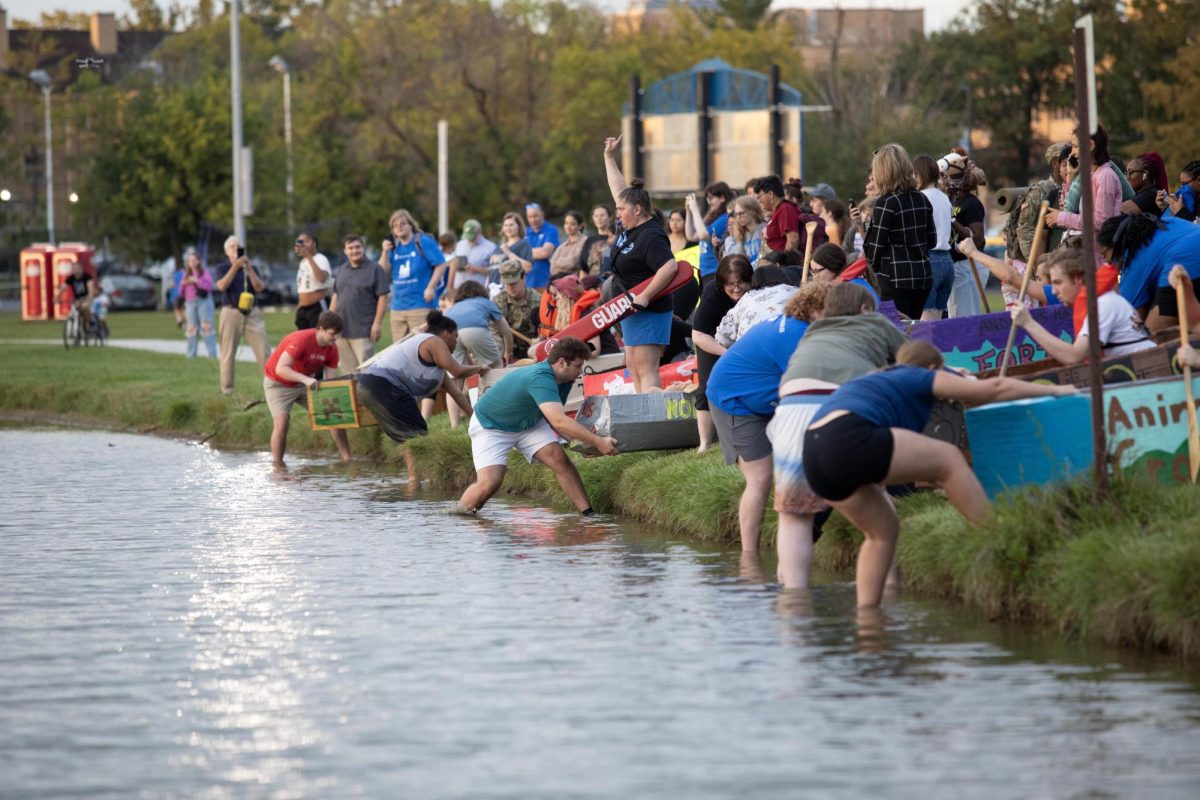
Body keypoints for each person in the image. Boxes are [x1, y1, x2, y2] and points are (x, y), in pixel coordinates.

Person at [803, 339, 1075, 607]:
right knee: (949, 459)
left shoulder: (881, 378)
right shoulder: (918, 376)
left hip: (814, 453)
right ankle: (999, 537)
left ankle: (869, 621)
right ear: (932, 368)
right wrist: (1058, 392)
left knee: (882, 533)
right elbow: (995, 387)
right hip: (848, 436)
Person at [770, 282, 908, 589]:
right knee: (878, 509)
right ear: (864, 309)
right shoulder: (873, 320)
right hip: (843, 407)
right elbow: (913, 361)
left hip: (791, 410)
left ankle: (793, 603)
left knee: (794, 516)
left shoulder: (811, 334)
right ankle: (886, 596)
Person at [706, 281, 829, 552]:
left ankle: (790, 532)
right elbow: (809, 384)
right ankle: (749, 558)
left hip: (761, 399)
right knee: (760, 477)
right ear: (811, 310)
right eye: (828, 311)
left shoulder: (800, 327)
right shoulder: (796, 335)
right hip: (734, 400)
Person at [455, 337, 619, 515]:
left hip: (529, 423)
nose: (580, 372)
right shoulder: (541, 377)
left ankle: (588, 514)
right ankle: (459, 517)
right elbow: (559, 421)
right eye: (578, 366)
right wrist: (598, 442)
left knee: (559, 460)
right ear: (562, 363)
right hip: (491, 426)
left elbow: (553, 419)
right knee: (489, 483)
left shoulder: (565, 380)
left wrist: (581, 444)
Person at [603, 134, 682, 392]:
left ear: (637, 210)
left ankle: (653, 416)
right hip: (628, 307)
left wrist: (646, 296)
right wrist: (608, 156)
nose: (618, 213)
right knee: (632, 364)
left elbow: (669, 266)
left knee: (645, 366)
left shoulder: (652, 235)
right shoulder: (627, 225)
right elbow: (619, 191)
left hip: (648, 308)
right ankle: (642, 412)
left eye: (621, 210)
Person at [358, 310, 486, 444]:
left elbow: (457, 395)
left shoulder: (438, 371)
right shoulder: (434, 341)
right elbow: (457, 371)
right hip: (384, 384)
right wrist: (480, 368)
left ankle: (410, 464)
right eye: (455, 336)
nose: (456, 342)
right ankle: (416, 464)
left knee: (407, 440)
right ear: (445, 333)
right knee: (418, 436)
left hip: (366, 385)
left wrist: (476, 420)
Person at [1008, 248, 1155, 364]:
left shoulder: (1103, 305)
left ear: (1078, 278)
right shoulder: (1100, 301)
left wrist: (1028, 323)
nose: (1053, 291)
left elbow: (1074, 356)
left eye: (1058, 282)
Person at [262, 311, 352, 467]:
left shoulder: (332, 349)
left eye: (338, 335)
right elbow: (281, 369)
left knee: (332, 413)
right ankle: (278, 466)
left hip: (305, 383)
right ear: (321, 329)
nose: (336, 338)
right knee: (282, 422)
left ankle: (348, 459)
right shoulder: (301, 340)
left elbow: (330, 380)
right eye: (332, 334)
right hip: (278, 384)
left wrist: (335, 398)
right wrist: (305, 379)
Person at [864, 143, 935, 319]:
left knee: (894, 330)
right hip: (922, 277)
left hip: (894, 278)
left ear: (883, 172)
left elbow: (874, 249)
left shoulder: (886, 203)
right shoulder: (922, 198)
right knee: (913, 328)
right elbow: (932, 241)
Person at [691, 255, 752, 451]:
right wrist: (725, 353)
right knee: (707, 388)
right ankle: (705, 444)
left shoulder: (756, 292)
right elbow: (698, 335)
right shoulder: (712, 293)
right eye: (731, 284)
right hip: (712, 340)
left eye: (742, 282)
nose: (737, 288)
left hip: (747, 338)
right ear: (721, 283)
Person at [1098, 212, 1200, 330]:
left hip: (1186, 263)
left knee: (1149, 338)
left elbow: (1132, 315)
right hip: (1189, 254)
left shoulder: (1134, 255)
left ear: (1115, 245)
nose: (1106, 260)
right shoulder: (1164, 221)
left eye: (1104, 254)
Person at [1046, 125, 1123, 264]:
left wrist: (1061, 218)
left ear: (1090, 145)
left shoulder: (1105, 176)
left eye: (1075, 146)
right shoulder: (1090, 175)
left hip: (1097, 260)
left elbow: (1101, 221)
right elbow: (1070, 208)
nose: (1073, 153)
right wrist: (1070, 175)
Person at [214, 235, 270, 395]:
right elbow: (221, 286)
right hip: (231, 311)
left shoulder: (251, 267)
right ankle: (227, 389)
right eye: (232, 247)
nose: (236, 249)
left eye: (238, 246)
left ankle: (272, 384)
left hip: (252, 312)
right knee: (228, 351)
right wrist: (235, 267)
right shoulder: (222, 267)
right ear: (226, 251)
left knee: (263, 349)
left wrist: (249, 268)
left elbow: (259, 287)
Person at [381, 209, 447, 344]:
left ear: (410, 225)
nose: (399, 227)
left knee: (421, 346)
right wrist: (384, 251)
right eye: (395, 225)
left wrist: (430, 287)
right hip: (398, 307)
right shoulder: (394, 246)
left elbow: (441, 264)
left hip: (420, 304)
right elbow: (382, 270)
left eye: (402, 223)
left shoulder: (423, 242)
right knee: (399, 350)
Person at [329, 234, 391, 373]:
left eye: (357, 247)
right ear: (345, 251)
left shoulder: (375, 269)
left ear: (363, 248)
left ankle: (369, 396)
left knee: (368, 372)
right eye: (350, 248)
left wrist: (377, 323)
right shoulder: (342, 270)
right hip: (341, 331)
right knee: (349, 374)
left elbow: (383, 297)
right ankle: (354, 396)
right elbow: (336, 295)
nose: (354, 251)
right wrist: (330, 320)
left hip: (363, 331)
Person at [941, 152, 988, 317]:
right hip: (955, 265)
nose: (945, 181)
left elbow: (977, 238)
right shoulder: (951, 200)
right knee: (954, 315)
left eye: (949, 177)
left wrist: (953, 220)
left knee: (965, 316)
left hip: (968, 266)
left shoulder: (972, 203)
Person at [714, 266, 796, 347]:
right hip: (793, 344)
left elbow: (722, 338)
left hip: (752, 351)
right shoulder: (796, 292)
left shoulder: (746, 299)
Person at [914, 154, 954, 320]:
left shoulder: (919, 198)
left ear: (919, 174)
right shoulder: (945, 198)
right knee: (937, 320)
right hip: (947, 261)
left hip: (929, 260)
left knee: (925, 321)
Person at [686, 181, 736, 284]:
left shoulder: (726, 218)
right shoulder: (712, 217)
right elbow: (691, 236)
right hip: (705, 271)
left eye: (711, 198)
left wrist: (695, 210)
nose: (709, 202)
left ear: (722, 198)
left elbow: (703, 235)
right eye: (707, 199)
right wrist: (689, 211)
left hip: (715, 270)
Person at [494, 260, 541, 360]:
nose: (511, 288)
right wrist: (503, 354)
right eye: (507, 284)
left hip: (532, 350)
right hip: (507, 351)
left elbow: (543, 330)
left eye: (514, 283)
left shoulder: (538, 300)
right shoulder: (498, 301)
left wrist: (540, 339)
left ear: (523, 277)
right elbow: (495, 332)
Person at [754, 175, 805, 265]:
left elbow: (793, 240)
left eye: (760, 196)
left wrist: (783, 267)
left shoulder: (786, 209)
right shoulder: (778, 211)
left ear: (770, 194)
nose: (759, 200)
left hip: (780, 269)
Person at [179, 250, 217, 358]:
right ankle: (191, 354)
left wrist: (196, 281)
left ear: (199, 261)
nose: (192, 262)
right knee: (191, 328)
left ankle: (212, 354)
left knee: (206, 327)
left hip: (203, 302)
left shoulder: (204, 273)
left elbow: (209, 287)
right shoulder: (185, 274)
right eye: (190, 260)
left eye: (194, 260)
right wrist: (184, 283)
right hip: (190, 302)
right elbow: (181, 291)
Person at [293, 232, 334, 330]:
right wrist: (299, 307)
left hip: (317, 306)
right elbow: (303, 287)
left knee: (318, 337)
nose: (302, 245)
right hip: (303, 309)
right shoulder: (303, 262)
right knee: (304, 338)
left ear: (314, 243)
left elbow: (321, 278)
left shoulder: (320, 258)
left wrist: (308, 256)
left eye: (306, 241)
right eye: (300, 242)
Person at [447, 219, 496, 290]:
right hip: (458, 288)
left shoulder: (490, 247)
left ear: (479, 232)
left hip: (479, 290)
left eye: (472, 236)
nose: (469, 239)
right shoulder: (459, 244)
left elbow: (495, 271)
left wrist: (477, 269)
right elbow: (450, 263)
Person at [489, 212, 534, 287]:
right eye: (506, 225)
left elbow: (528, 267)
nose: (508, 228)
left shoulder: (523, 244)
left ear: (519, 226)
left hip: (510, 289)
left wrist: (509, 253)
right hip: (493, 288)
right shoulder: (500, 244)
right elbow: (492, 268)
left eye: (511, 225)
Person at [1121, 152, 1168, 217]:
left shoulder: (1150, 195)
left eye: (1131, 173)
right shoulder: (1146, 193)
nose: (1127, 177)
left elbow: (1116, 212)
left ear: (1145, 174)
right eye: (1126, 173)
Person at [723, 196, 767, 266]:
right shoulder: (741, 233)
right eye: (736, 214)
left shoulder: (765, 229)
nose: (738, 217)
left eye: (741, 213)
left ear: (752, 211)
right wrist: (739, 241)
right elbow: (739, 263)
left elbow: (766, 258)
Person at [524, 202, 559, 290]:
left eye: (535, 216)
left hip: (545, 282)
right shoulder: (525, 232)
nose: (533, 220)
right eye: (530, 217)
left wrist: (523, 252)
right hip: (526, 283)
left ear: (542, 215)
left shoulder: (551, 229)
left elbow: (545, 252)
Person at [57, 261, 97, 331]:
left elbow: (90, 287)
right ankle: (81, 327)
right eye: (74, 269)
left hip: (87, 297)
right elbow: (63, 288)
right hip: (77, 299)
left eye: (78, 269)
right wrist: (57, 297)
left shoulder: (87, 277)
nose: (76, 271)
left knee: (85, 307)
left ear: (81, 269)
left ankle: (91, 322)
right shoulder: (71, 278)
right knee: (76, 309)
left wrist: (90, 297)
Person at [579, 204, 616, 276]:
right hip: (591, 282)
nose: (599, 218)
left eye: (602, 215)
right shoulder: (589, 241)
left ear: (610, 217)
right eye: (596, 216)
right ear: (593, 218)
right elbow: (583, 269)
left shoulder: (617, 239)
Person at [549, 210, 587, 279]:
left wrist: (558, 262)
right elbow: (552, 267)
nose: (568, 227)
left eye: (572, 224)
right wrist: (567, 264)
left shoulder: (585, 241)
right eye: (566, 223)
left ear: (580, 226)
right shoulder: (562, 246)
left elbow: (574, 261)